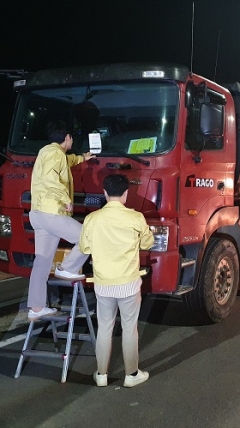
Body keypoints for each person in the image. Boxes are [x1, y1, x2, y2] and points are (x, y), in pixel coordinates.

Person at [79, 174, 154, 388]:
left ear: (104, 193)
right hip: (129, 283)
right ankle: (131, 375)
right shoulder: (135, 218)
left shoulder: (92, 219)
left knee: (104, 328)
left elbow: (84, 248)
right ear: (126, 194)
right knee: (130, 328)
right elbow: (147, 243)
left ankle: (101, 374)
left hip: (103, 283)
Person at [27, 120, 95, 320]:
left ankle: (36, 308)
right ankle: (68, 268)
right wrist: (66, 200)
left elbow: (67, 161)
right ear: (67, 138)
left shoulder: (47, 152)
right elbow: (50, 179)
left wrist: (82, 158)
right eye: (71, 138)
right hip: (52, 212)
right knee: (87, 237)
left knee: (42, 261)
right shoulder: (56, 154)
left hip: (38, 214)